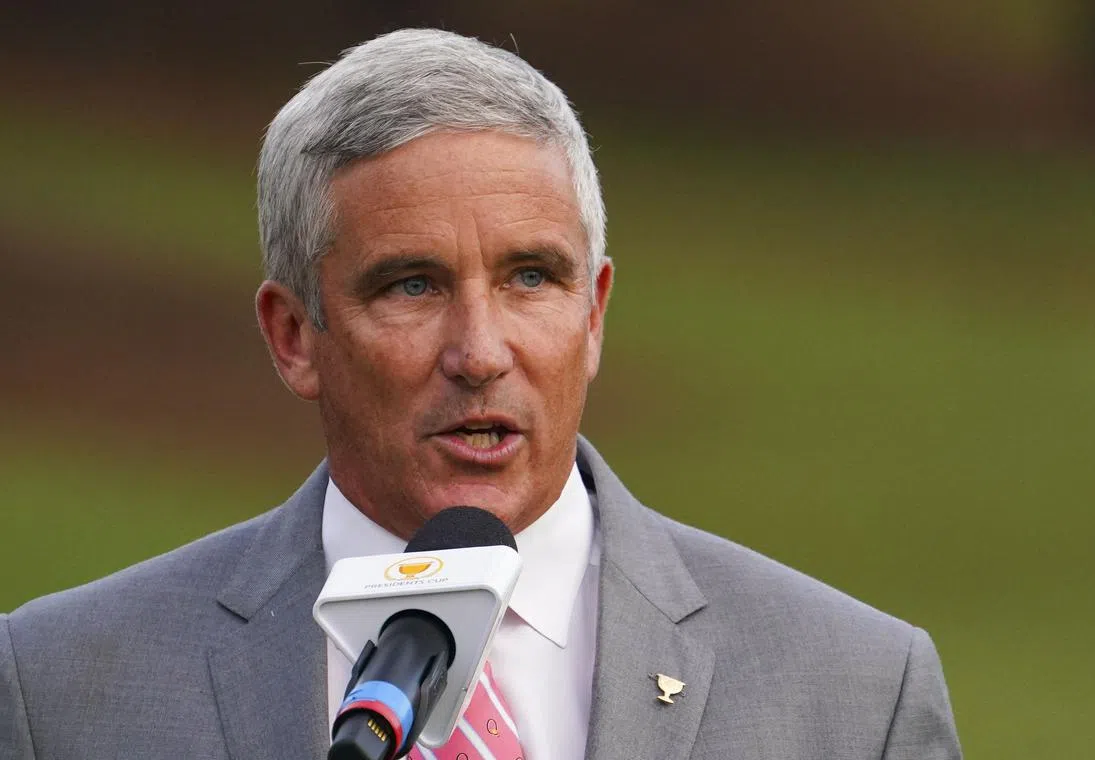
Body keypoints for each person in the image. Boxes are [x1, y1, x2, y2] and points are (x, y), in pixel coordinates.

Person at [0, 29, 961, 760]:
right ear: (295, 337)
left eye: (532, 278)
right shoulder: (63, 688)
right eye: (411, 285)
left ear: (595, 314)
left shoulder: (855, 694)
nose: (479, 352)